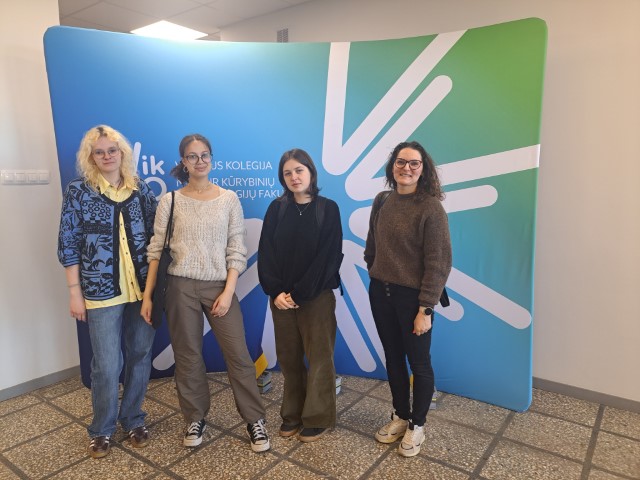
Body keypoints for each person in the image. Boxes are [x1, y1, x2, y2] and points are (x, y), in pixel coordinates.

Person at [141, 134, 270, 453]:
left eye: (204, 155)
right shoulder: (170, 201)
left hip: (219, 286)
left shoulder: (228, 199)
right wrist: (147, 295)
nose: (199, 161)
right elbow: (156, 250)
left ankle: (254, 419)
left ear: (212, 158)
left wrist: (228, 292)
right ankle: (194, 417)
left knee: (238, 355)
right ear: (183, 162)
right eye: (192, 156)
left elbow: (237, 248)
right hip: (180, 285)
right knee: (187, 356)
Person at [57, 125, 158, 459]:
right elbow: (68, 242)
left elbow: (157, 238)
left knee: (140, 354)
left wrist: (155, 288)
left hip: (142, 289)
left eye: (112, 150)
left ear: (122, 153)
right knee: (106, 364)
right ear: (91, 157)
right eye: (99, 152)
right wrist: (74, 292)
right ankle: (101, 428)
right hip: (99, 292)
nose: (106, 156)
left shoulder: (140, 189)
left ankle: (133, 418)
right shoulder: (79, 191)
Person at [364, 140, 452, 457]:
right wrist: (375, 268)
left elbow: (439, 263)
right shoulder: (382, 200)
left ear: (423, 169)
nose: (407, 168)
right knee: (393, 357)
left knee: (419, 363)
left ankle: (417, 425)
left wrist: (425, 308)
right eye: (401, 162)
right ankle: (400, 416)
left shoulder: (431, 208)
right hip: (381, 293)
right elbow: (372, 245)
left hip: (414, 299)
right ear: (392, 166)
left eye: (414, 163)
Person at [258, 148, 343, 443]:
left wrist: (300, 293)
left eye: (299, 170)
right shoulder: (277, 209)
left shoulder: (327, 209)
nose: (294, 177)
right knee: (289, 358)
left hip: (315, 297)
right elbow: (266, 253)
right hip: (281, 299)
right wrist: (276, 292)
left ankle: (317, 418)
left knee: (319, 358)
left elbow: (329, 257)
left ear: (311, 172)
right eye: (287, 173)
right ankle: (292, 415)